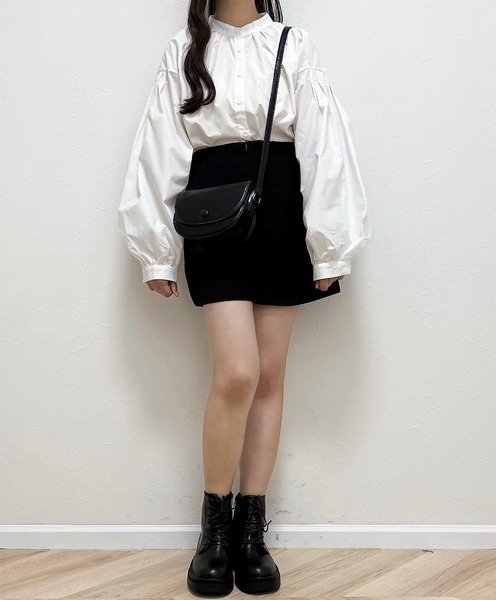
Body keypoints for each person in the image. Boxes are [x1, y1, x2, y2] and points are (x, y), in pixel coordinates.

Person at [117, 0, 370, 595]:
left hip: (280, 210)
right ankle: (213, 530)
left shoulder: (292, 44)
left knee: (271, 375)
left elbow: (323, 145)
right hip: (214, 214)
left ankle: (251, 532)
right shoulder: (186, 49)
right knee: (237, 373)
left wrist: (330, 245)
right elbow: (159, 147)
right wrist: (155, 250)